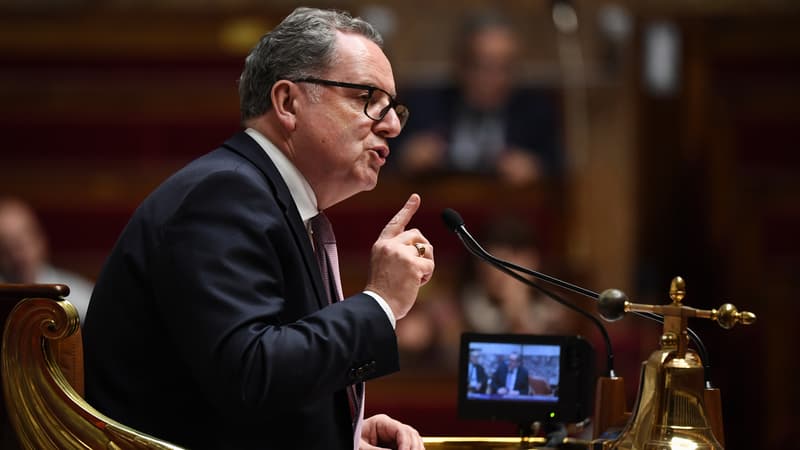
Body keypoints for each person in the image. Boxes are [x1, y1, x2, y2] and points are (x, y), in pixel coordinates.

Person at [82, 8, 433, 450]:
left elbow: (239, 390)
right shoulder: (225, 195)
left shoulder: (266, 196)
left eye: (393, 106)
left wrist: (340, 432)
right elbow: (251, 373)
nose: (393, 124)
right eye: (367, 97)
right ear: (288, 102)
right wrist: (381, 301)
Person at [395, 10, 562, 185]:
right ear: (461, 65)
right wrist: (408, 156)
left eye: (506, 68)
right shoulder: (424, 105)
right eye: (485, 67)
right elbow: (388, 159)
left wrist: (536, 167)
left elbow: (559, 167)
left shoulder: (535, 110)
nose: (496, 79)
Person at [461, 215, 578, 336]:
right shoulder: (461, 309)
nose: (506, 273)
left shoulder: (555, 310)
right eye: (498, 260)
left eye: (517, 258)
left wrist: (520, 313)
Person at [0, 197, 94, 321]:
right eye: (6, 248)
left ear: (41, 240)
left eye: (21, 244)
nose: (17, 256)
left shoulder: (82, 303)